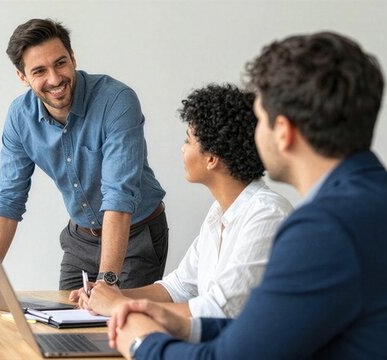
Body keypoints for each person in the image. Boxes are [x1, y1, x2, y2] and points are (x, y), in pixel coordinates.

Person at [108, 32, 387, 359]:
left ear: (283, 132)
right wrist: (186, 326)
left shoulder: (325, 229)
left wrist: (141, 342)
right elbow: (273, 329)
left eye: (260, 120)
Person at [0, 18, 168, 296]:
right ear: (22, 77)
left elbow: (119, 195)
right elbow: (9, 198)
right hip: (80, 239)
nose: (55, 79)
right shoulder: (20, 117)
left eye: (60, 63)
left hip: (135, 236)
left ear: (73, 58)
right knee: (61, 328)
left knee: (115, 330)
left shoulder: (116, 100)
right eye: (39, 71)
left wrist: (107, 282)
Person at [79, 84, 292, 319]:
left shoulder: (267, 214)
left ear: (211, 159)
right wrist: (109, 296)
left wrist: (118, 306)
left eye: (188, 141)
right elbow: (178, 287)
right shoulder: (219, 213)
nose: (182, 149)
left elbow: (221, 311)